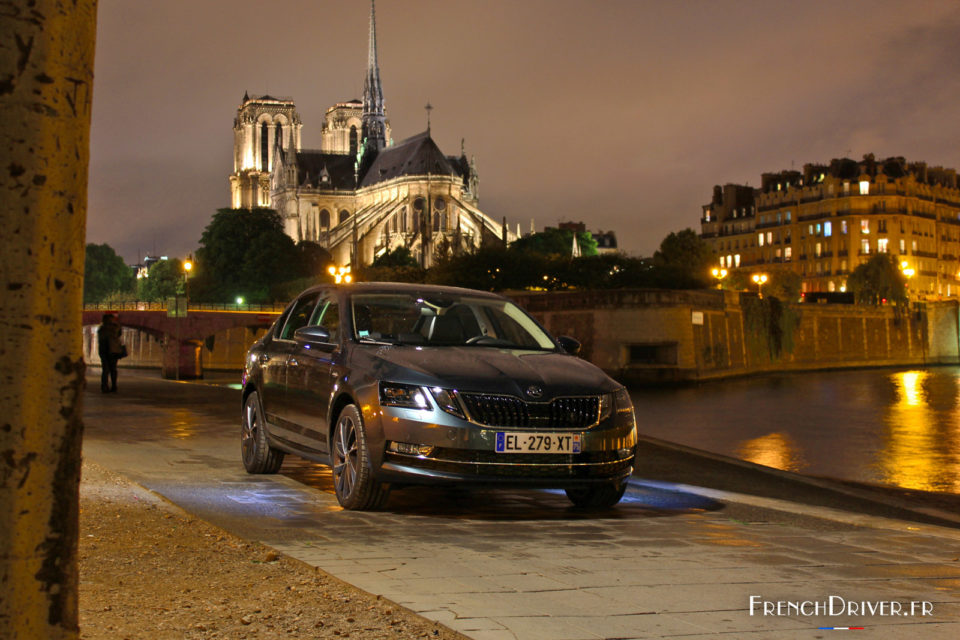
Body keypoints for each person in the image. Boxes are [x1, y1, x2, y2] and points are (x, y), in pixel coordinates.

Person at [97, 313, 124, 393]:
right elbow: (118, 334)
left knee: (106, 370)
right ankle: (113, 386)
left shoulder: (102, 329)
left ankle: (104, 386)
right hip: (113, 350)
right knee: (113, 369)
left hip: (104, 351)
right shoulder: (114, 327)